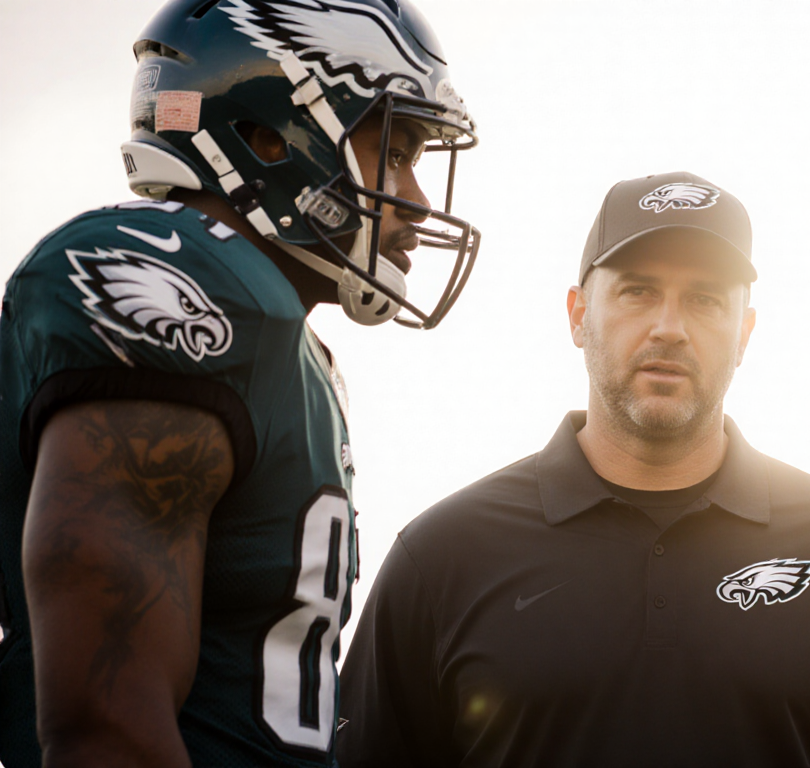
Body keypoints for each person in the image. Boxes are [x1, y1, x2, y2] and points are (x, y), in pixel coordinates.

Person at [337, 171, 810, 768]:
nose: (669, 328)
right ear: (578, 315)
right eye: (638, 291)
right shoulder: (444, 556)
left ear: (744, 335)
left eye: (705, 300)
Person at [0, 0, 480, 765]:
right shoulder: (180, 281)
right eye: (395, 150)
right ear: (270, 138)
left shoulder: (280, 339)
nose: (417, 200)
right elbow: (106, 729)